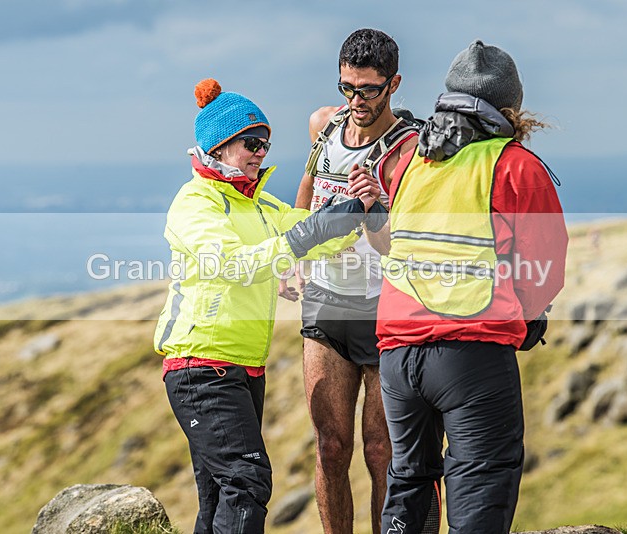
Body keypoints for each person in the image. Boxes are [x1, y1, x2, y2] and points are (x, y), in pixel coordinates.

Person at [154, 78, 384, 533]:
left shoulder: (258, 205)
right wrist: (309, 234)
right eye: (251, 142)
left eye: (266, 143)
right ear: (219, 147)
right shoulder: (195, 204)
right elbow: (235, 265)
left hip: (242, 367)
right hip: (200, 366)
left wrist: (362, 206)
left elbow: (311, 232)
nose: (261, 151)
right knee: (247, 480)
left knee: (219, 494)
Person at [376, 41, 569, 533]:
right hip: (471, 353)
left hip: (397, 355)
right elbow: (544, 270)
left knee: (410, 483)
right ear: (510, 106)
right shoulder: (515, 165)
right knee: (480, 480)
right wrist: (524, 317)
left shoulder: (410, 164)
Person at [280, 29, 420, 534]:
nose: (356, 101)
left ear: (394, 84)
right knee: (332, 445)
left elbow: (395, 247)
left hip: (384, 306)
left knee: (382, 450)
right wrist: (293, 256)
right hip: (326, 301)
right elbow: (308, 189)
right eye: (347, 88)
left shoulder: (410, 147)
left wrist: (376, 206)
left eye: (368, 90)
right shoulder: (325, 125)